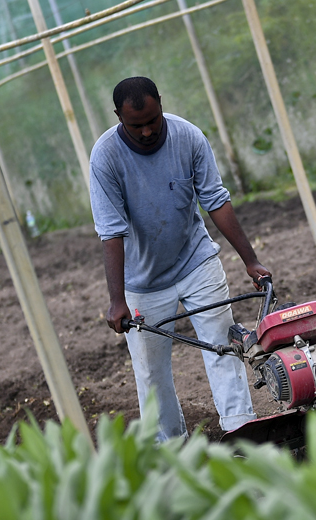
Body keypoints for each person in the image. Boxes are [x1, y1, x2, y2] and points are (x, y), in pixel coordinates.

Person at [89, 76, 270, 442]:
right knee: (151, 373)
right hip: (142, 282)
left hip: (196, 262)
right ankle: (171, 448)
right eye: (135, 125)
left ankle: (241, 431)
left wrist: (250, 260)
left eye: (152, 120)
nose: (146, 132)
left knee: (223, 344)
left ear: (160, 102)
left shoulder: (188, 137)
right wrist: (117, 300)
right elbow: (111, 231)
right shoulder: (105, 157)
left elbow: (215, 199)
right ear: (117, 117)